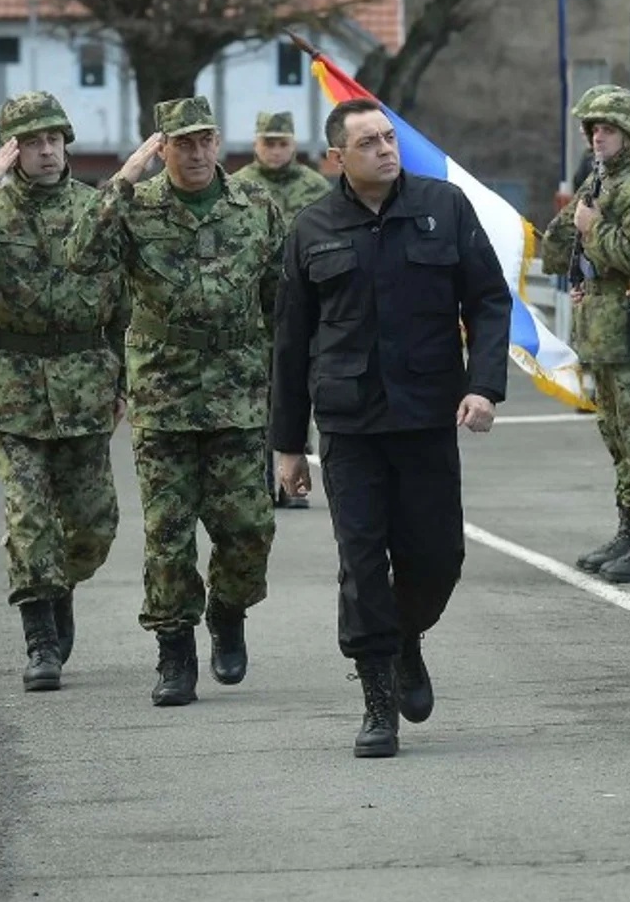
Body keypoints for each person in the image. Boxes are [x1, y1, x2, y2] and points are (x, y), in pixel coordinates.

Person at [271, 96, 512, 759]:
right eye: (369, 142)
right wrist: (288, 447)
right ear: (336, 159)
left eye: (388, 137)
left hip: (428, 415)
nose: (385, 149)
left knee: (437, 558)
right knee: (361, 563)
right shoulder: (311, 227)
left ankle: (405, 637)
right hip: (349, 427)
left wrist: (483, 386)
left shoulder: (443, 208)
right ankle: (378, 699)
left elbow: (489, 301)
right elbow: (291, 343)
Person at [66, 96, 281, 708]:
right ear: (161, 149)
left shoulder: (255, 205)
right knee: (167, 531)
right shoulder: (135, 207)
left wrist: (287, 380)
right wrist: (123, 179)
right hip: (163, 392)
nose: (195, 152)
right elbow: (79, 258)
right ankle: (174, 651)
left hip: (239, 390)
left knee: (248, 529)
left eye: (205, 140)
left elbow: (278, 294)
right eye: (182, 142)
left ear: (219, 143)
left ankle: (228, 612)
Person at [0, 91, 130, 692]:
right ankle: (39, 636)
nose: (45, 151)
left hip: (87, 386)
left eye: (53, 140)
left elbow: (122, 306)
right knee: (29, 514)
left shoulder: (97, 210)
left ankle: (57, 584)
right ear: (9, 151)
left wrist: (122, 382)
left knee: (93, 527)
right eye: (31, 142)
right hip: (12, 388)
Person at [540, 85, 630, 584]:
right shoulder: (599, 182)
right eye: (592, 129)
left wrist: (594, 230)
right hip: (604, 332)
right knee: (618, 438)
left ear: (629, 134)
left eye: (609, 129)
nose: (598, 138)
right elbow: (557, 249)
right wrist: (579, 236)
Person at [232, 109, 332, 510]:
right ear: (256, 144)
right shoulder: (238, 186)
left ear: (293, 144)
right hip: (252, 310)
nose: (275, 151)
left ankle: (294, 483)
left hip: (302, 306)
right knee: (255, 398)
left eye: (282, 143)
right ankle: (259, 482)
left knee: (297, 391)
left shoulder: (314, 186)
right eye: (268, 143)